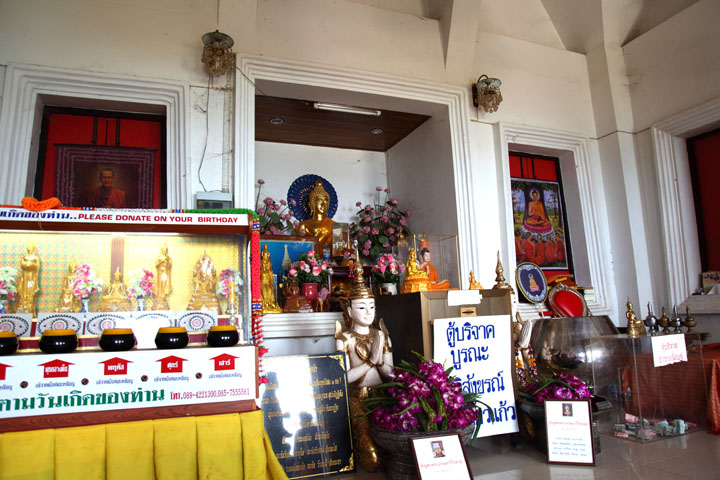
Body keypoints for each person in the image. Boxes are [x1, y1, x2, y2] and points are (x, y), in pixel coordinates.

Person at [335, 252, 393, 472]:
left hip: (382, 396)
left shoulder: (382, 335)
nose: (368, 312)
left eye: (371, 306)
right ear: (349, 311)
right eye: (361, 307)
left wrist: (381, 363)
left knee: (395, 449)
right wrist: (370, 362)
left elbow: (392, 375)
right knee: (372, 460)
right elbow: (342, 378)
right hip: (357, 399)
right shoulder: (345, 339)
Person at [296, 179, 335, 253]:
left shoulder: (333, 225)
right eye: (319, 200)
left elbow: (339, 249)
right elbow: (298, 248)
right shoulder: (303, 225)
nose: (323, 204)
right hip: (310, 259)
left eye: (326, 201)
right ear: (311, 204)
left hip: (329, 259)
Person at [16, 244, 40, 315]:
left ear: (33, 249)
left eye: (31, 249)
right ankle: (23, 306)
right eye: (28, 249)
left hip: (31, 276)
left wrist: (29, 264)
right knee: (23, 291)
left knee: (30, 291)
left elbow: (36, 266)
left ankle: (29, 307)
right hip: (25, 276)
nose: (29, 250)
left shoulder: (35, 258)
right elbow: (23, 265)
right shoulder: (24, 257)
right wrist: (29, 264)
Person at [260, 244, 282, 314]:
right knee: (264, 291)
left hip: (268, 284)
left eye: (266, 264)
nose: (265, 265)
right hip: (262, 284)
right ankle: (264, 304)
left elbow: (271, 280)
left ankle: (270, 303)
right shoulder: (261, 271)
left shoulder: (269, 271)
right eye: (264, 264)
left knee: (269, 290)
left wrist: (271, 284)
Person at [154, 244, 172, 310]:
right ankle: (159, 297)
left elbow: (170, 266)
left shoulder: (168, 258)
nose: (164, 251)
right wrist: (161, 261)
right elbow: (156, 265)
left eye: (165, 250)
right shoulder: (159, 257)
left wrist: (166, 262)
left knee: (164, 284)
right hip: (160, 273)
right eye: (163, 250)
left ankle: (163, 297)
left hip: (165, 273)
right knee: (159, 285)